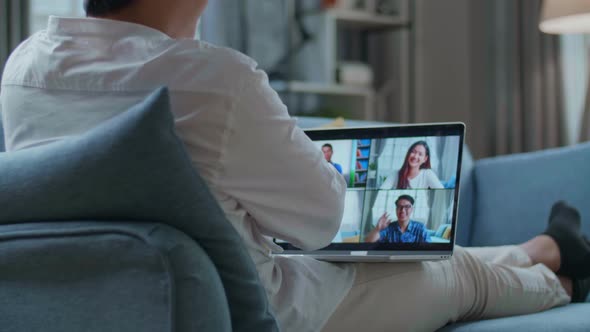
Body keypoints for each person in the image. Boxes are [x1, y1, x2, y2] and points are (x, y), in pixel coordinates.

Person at [1, 1, 589, 331]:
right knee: (451, 275)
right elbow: (324, 223)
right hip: (256, 313)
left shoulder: (23, 71)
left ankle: (545, 248)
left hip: (102, 299)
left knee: (431, 253)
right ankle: (563, 282)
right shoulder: (212, 80)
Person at [366, 195, 430, 243]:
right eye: (399, 207)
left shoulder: (420, 228)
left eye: (407, 207)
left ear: (412, 209)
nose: (402, 210)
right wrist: (377, 228)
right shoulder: (388, 227)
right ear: (396, 209)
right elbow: (368, 241)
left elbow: (428, 249)